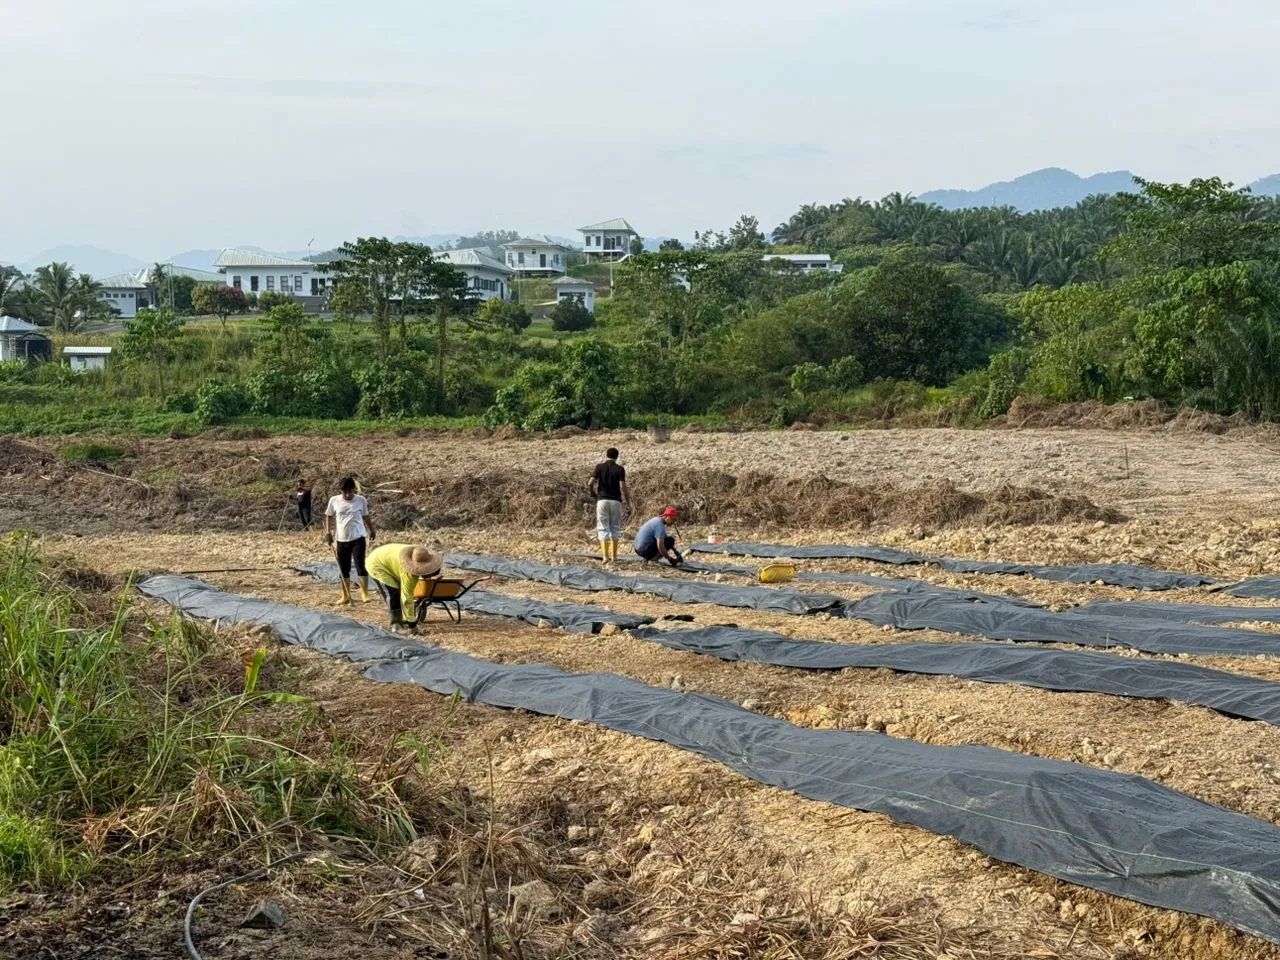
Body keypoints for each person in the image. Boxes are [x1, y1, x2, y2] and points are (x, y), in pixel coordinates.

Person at [366, 543, 443, 632]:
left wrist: (409, 618)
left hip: (387, 558)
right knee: (393, 593)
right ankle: (396, 625)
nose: (429, 577)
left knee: (399, 592)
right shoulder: (410, 572)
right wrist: (412, 624)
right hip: (377, 564)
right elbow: (407, 598)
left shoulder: (419, 556)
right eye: (428, 574)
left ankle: (403, 619)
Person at [324, 477, 376, 606]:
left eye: (350, 491)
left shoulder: (361, 500)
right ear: (341, 490)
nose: (347, 495)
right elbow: (329, 516)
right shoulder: (334, 500)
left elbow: (365, 516)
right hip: (341, 539)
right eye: (344, 492)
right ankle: (345, 595)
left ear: (354, 490)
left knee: (360, 565)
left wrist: (371, 529)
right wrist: (328, 533)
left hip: (358, 538)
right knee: (344, 567)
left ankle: (364, 593)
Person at [588, 447, 629, 563]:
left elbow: (590, 483)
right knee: (615, 527)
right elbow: (622, 486)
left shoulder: (599, 467)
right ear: (617, 457)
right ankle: (614, 557)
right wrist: (627, 501)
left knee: (603, 527)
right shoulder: (620, 469)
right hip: (616, 501)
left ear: (606, 455)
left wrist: (593, 493)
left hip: (602, 501)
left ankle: (605, 557)